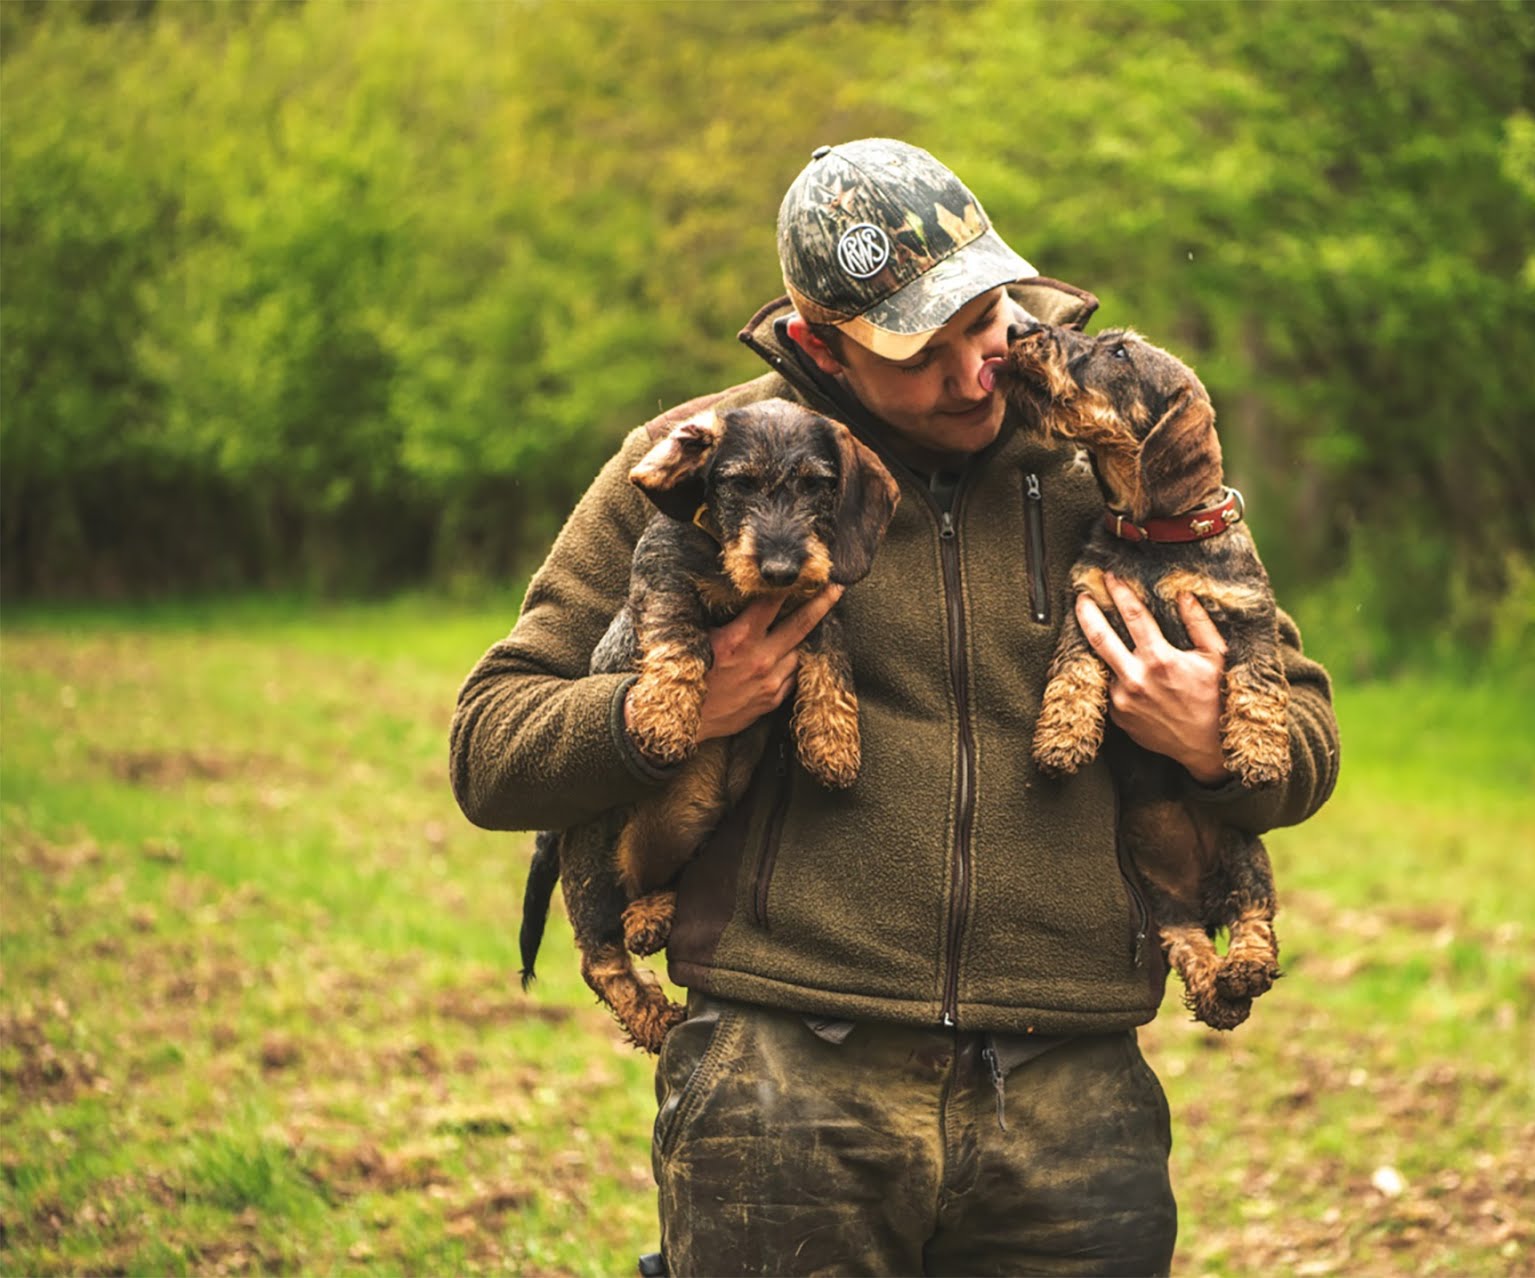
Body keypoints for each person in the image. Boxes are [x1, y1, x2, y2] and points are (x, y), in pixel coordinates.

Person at [450, 138, 1340, 1276]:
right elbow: (490, 744)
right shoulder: (703, 463)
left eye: (993, 318)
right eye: (929, 348)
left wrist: (1210, 730)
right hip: (784, 1082)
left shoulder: (1111, 462)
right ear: (823, 345)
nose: (983, 367)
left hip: (1074, 1092)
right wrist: (668, 710)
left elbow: (1307, 740)